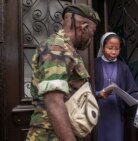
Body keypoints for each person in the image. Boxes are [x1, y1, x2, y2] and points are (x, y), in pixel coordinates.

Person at [26, 3, 100, 141]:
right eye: (92, 33)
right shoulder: (57, 49)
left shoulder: (68, 49)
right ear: (83, 28)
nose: (91, 39)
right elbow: (54, 102)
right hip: (49, 135)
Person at [94, 32, 138, 141]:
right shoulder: (94, 64)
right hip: (99, 110)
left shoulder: (124, 68)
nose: (113, 52)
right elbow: (85, 89)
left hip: (116, 111)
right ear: (102, 47)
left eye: (117, 49)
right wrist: (98, 94)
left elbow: (132, 90)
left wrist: (135, 100)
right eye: (110, 48)